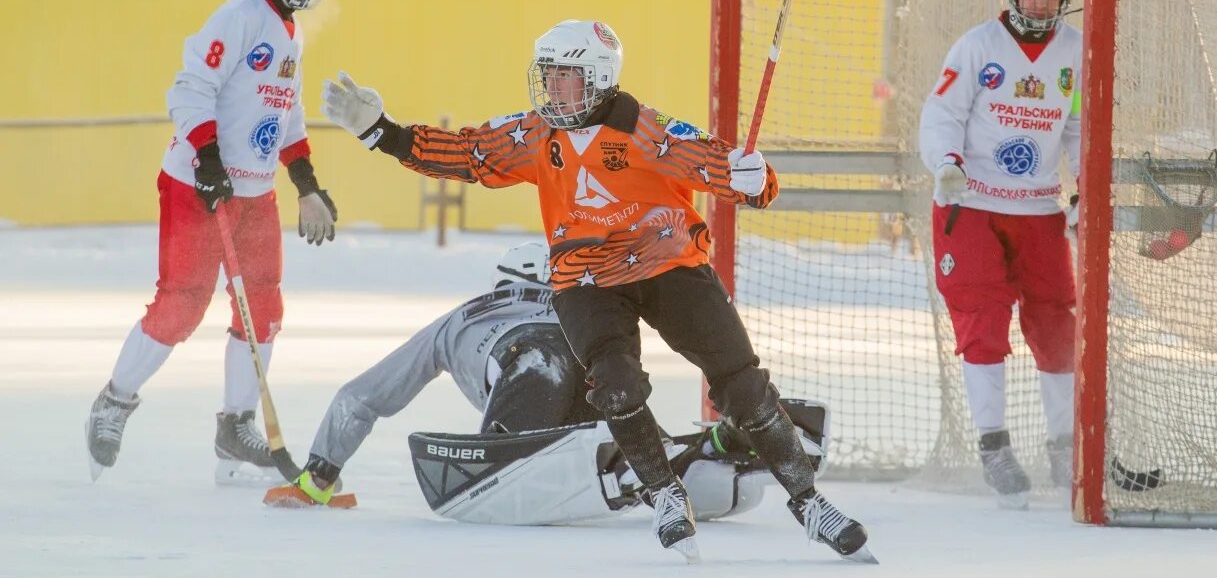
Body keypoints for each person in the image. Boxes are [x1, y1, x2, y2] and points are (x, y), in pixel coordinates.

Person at [317, 20, 874, 563]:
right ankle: (663, 494)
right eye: (547, 75)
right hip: (585, 278)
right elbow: (470, 152)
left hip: (668, 264)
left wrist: (757, 180)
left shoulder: (651, 132)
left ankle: (810, 504)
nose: (551, 88)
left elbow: (724, 169)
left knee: (744, 386)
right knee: (615, 382)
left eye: (564, 76)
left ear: (599, 77)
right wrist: (382, 132)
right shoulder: (537, 133)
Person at [262, 241, 827, 523]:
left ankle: (621, 467)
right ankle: (718, 444)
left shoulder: (461, 318)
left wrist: (320, 477)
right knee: (630, 433)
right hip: (600, 368)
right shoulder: (582, 304)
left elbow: (362, 396)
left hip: (528, 364)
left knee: (535, 400)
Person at [85, 0, 339, 486]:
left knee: (263, 308)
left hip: (254, 190)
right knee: (183, 303)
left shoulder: (290, 31)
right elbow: (191, 87)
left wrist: (306, 185)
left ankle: (235, 428)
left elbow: (287, 111)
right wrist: (206, 158)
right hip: (196, 183)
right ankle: (114, 402)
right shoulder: (240, 16)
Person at [918, 0, 1082, 509]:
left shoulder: (1075, 53)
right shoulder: (977, 46)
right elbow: (941, 113)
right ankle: (994, 446)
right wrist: (947, 163)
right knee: (983, 321)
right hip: (974, 205)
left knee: (1057, 326)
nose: (1039, 3)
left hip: (1038, 207)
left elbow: (1078, 129)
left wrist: (1087, 187)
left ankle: (1067, 447)